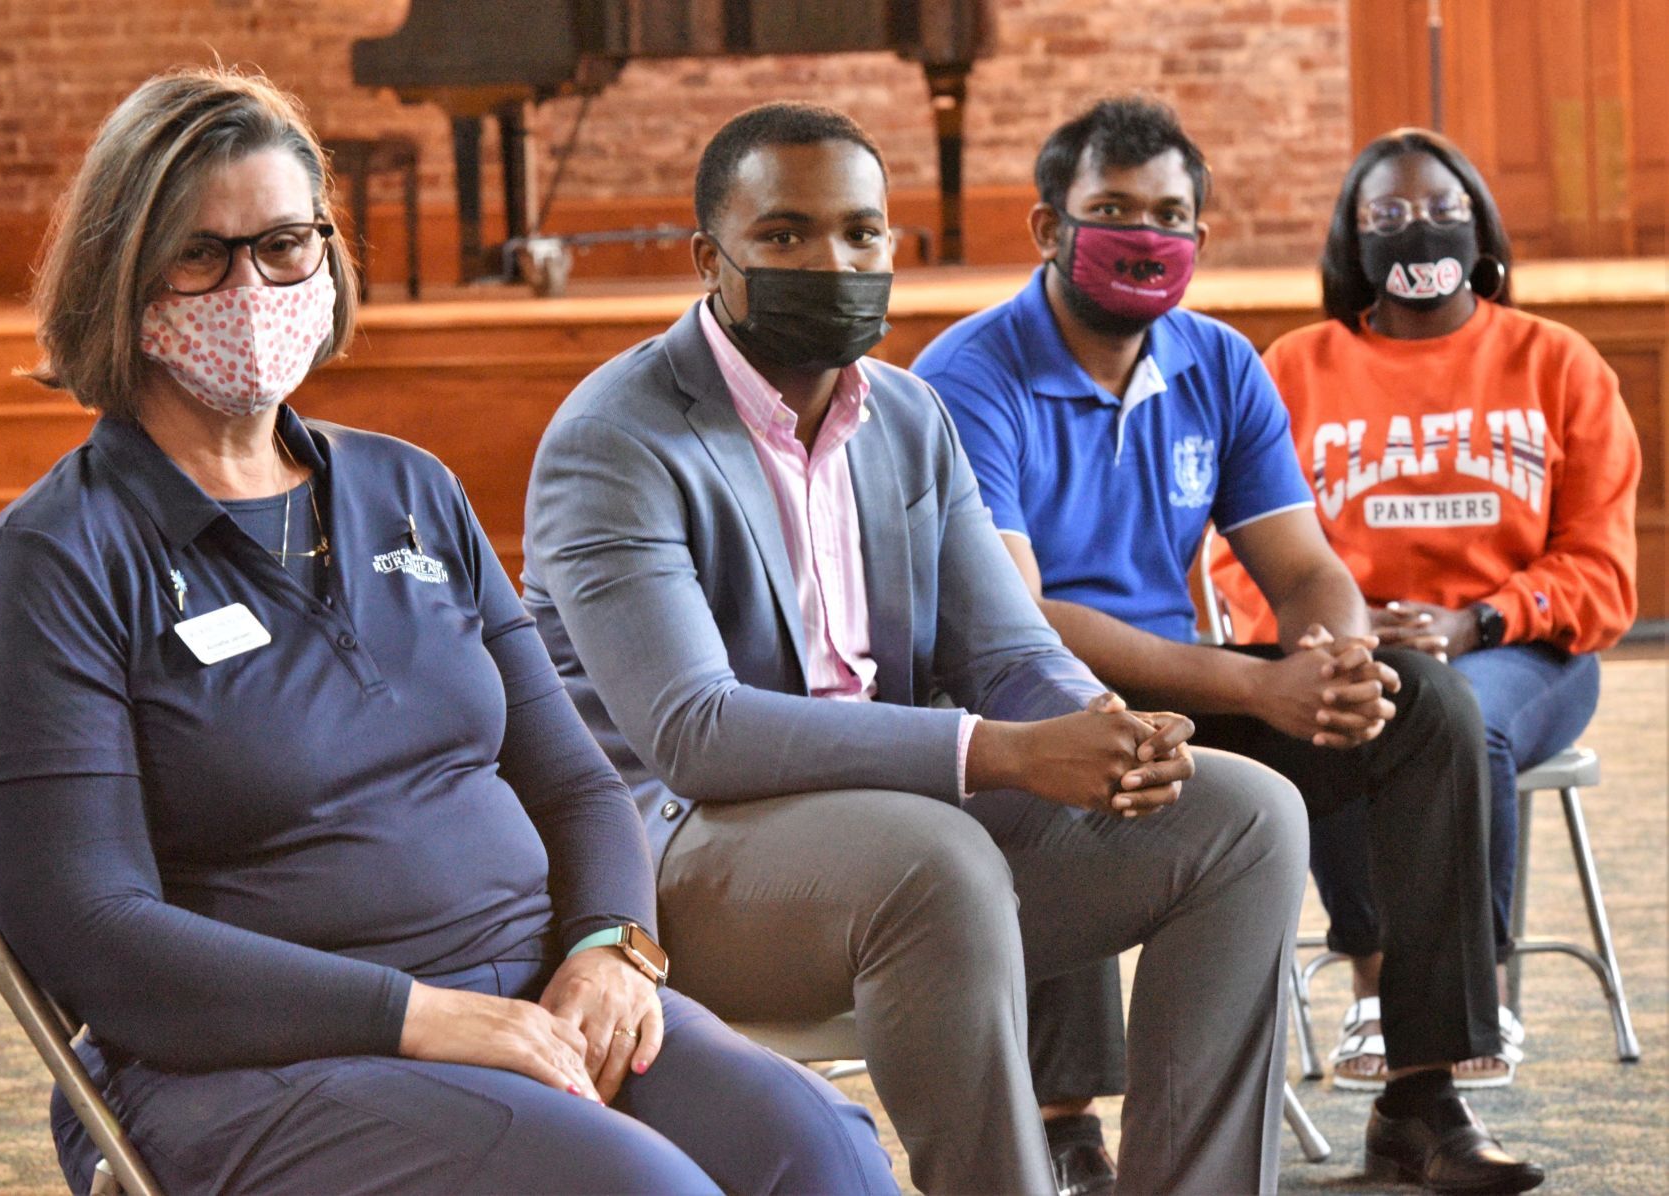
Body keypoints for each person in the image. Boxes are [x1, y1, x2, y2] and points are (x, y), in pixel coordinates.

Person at [0, 68, 894, 1196]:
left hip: (526, 988)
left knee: (827, 1151)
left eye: (286, 243)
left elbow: (578, 783)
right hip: (248, 1057)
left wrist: (608, 946)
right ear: (125, 279)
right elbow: (91, 933)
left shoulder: (410, 488)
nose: (251, 285)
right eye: (201, 254)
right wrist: (421, 1017)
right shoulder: (59, 556)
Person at [522, 100, 1310, 1196]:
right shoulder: (616, 436)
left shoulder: (906, 416)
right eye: (785, 236)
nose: (832, 260)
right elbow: (695, 734)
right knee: (930, 858)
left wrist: (1102, 726)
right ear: (712, 257)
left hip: (901, 825)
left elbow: (1009, 649)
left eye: (860, 233)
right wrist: (1004, 752)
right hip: (680, 853)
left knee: (1246, 818)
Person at [913, 95, 1545, 1193]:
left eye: (1169, 214)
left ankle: (1419, 1096)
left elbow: (1301, 568)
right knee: (1072, 726)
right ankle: (1065, 1122)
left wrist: (1338, 664)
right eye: (1110, 208)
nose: (1144, 237)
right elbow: (1017, 619)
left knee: (1425, 708)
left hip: (1183, 676)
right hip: (1031, 689)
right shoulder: (970, 374)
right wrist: (1258, 685)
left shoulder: (1216, 362)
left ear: (1199, 239)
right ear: (1047, 228)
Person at [1208, 127, 1641, 1091]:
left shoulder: (1558, 363)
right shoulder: (1296, 369)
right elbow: (1236, 558)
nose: (1419, 231)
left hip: (1521, 652)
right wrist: (1335, 636)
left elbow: (1605, 571)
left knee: (1460, 717)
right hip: (1352, 639)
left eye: (1444, 212)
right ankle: (1375, 992)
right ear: (1351, 243)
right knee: (1342, 705)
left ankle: (1467, 1004)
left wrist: (1476, 622)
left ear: (1480, 230)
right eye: (1388, 216)